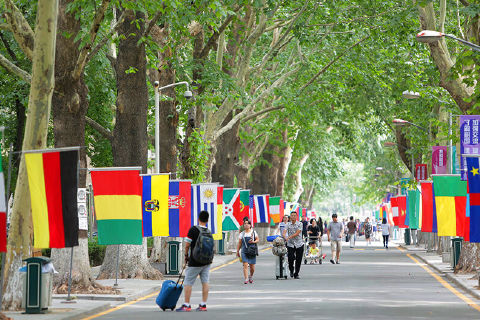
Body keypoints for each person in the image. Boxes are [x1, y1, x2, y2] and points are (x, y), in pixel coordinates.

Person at [177, 210, 212, 312]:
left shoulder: (193, 229)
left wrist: (186, 255)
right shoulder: (209, 231)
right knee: (205, 282)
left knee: (188, 282)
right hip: (207, 262)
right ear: (207, 220)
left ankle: (187, 305)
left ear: (198, 219)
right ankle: (203, 304)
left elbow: (187, 244)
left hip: (195, 261)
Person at [236, 219, 259, 284]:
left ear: (250, 225)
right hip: (244, 250)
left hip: (252, 250)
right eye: (245, 223)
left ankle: (250, 276)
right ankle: (246, 279)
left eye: (247, 223)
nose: (246, 225)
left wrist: (253, 242)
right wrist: (237, 251)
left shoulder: (253, 232)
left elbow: (257, 239)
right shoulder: (242, 234)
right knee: (245, 264)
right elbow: (240, 243)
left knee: (252, 267)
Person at [283, 211, 303, 279]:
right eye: (292, 215)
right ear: (290, 217)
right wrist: (285, 237)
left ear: (296, 217)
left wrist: (289, 237)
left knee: (298, 259)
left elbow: (297, 233)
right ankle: (291, 269)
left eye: (294, 215)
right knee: (290, 258)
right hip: (290, 244)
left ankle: (296, 273)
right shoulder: (288, 224)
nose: (293, 217)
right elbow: (284, 231)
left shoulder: (300, 224)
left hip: (299, 243)